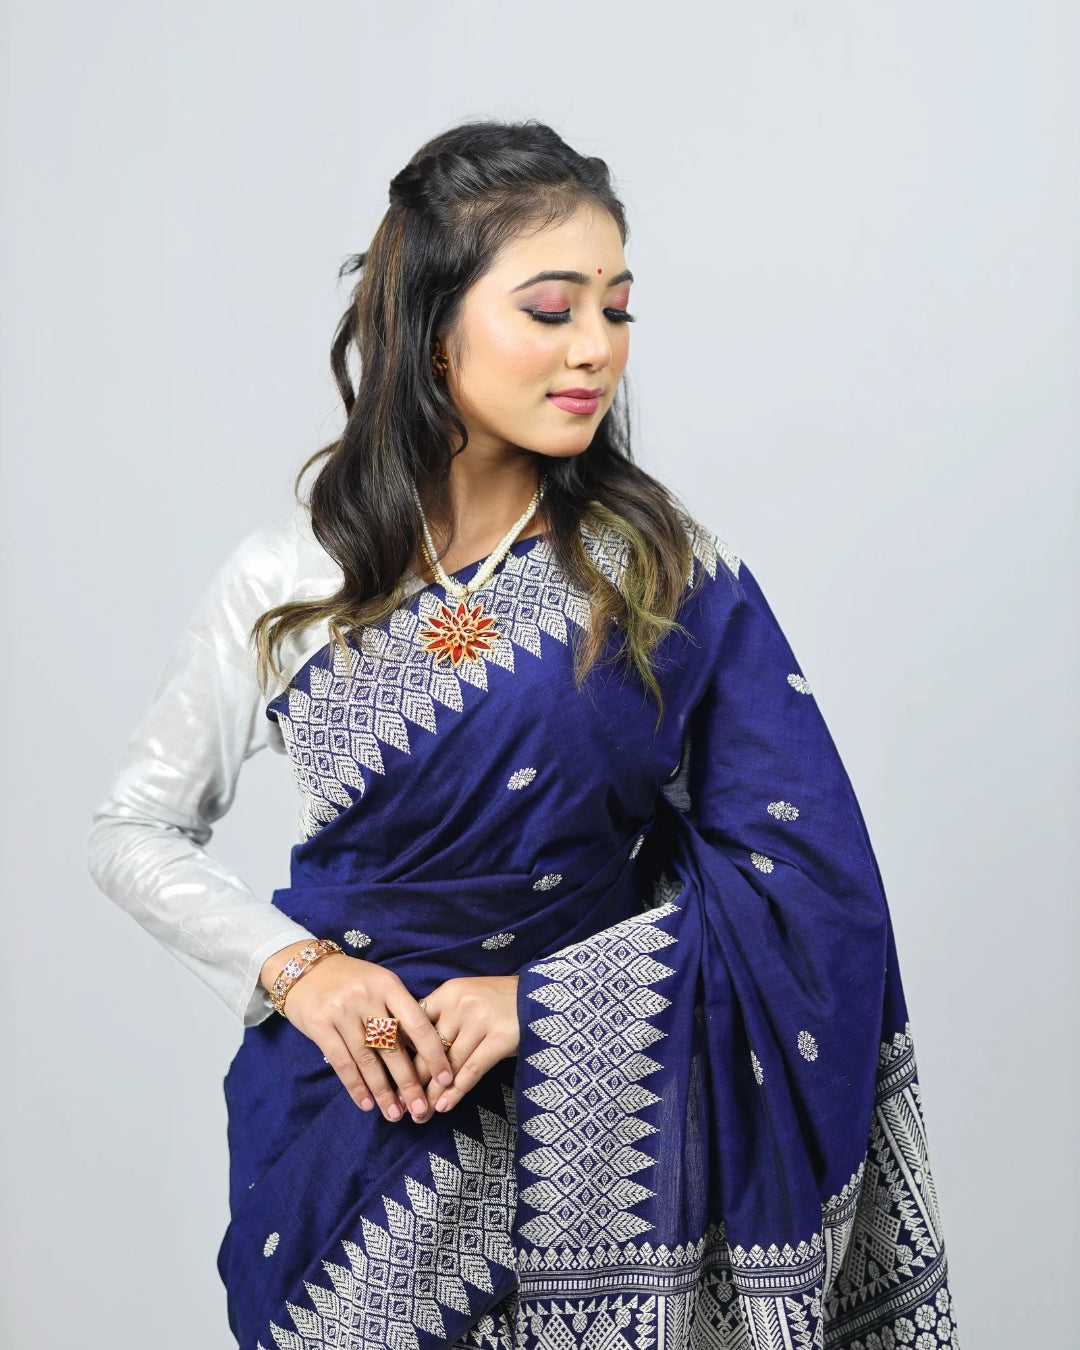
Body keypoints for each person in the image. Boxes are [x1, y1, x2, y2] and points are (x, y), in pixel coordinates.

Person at [87, 119, 958, 1350]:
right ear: (434, 329)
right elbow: (134, 829)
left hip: (615, 1130)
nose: (596, 350)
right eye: (551, 309)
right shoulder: (291, 578)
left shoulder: (660, 570)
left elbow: (804, 884)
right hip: (352, 1132)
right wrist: (301, 972)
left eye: (617, 309)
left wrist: (542, 1002)